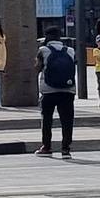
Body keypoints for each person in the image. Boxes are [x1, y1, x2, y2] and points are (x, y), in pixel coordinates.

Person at [36, 27, 80, 158]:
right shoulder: (70, 51)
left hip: (48, 90)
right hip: (68, 90)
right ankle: (66, 149)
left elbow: (37, 68)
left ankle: (46, 147)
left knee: (47, 119)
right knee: (67, 120)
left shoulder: (43, 50)